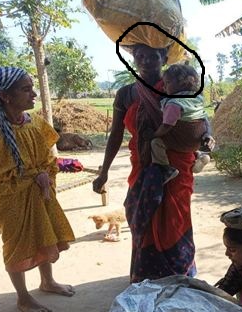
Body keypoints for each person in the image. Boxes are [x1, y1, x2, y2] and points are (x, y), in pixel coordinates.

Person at [92, 44, 214, 282]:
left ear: (164, 58)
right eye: (139, 56)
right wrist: (104, 171)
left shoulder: (177, 88)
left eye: (152, 56)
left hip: (177, 167)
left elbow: (198, 118)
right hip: (142, 165)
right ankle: (146, 274)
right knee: (140, 215)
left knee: (175, 219)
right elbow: (116, 134)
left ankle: (180, 271)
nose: (145, 61)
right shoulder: (126, 94)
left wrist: (207, 138)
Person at [0, 67, 75, 312]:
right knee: (16, 244)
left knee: (44, 233)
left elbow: (47, 154)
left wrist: (45, 178)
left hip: (40, 190)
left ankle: (47, 281)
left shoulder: (35, 122)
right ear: (5, 96)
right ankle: (23, 297)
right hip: (10, 196)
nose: (33, 94)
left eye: (32, 88)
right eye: (26, 89)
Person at [150, 63, 211, 184]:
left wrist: (154, 134)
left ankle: (167, 170)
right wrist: (208, 134)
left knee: (156, 143)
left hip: (181, 142)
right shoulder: (197, 99)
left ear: (182, 83)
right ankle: (200, 155)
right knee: (186, 133)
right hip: (197, 142)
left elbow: (167, 125)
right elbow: (205, 119)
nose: (164, 87)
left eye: (167, 83)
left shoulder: (174, 103)